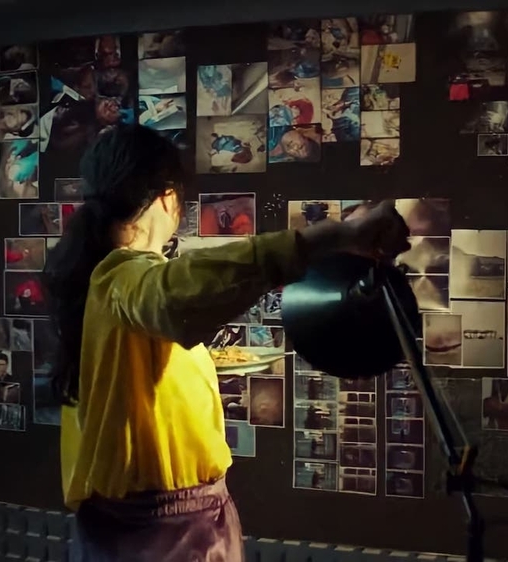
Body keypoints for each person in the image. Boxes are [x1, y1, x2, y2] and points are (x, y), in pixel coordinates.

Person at [43, 124, 409, 562]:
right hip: (165, 538)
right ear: (167, 197)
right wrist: (332, 237)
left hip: (133, 530)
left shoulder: (96, 280)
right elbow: (168, 295)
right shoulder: (120, 276)